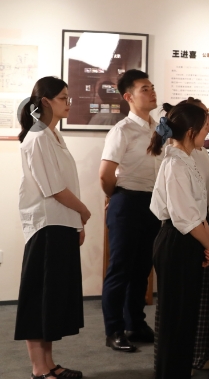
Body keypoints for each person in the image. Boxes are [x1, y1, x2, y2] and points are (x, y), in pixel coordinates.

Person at [15, 77, 89, 379]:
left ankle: (49, 363)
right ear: (45, 101)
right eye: (63, 98)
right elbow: (54, 188)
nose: (68, 103)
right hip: (46, 226)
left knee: (52, 299)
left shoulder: (52, 135)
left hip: (61, 224)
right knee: (39, 298)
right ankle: (39, 368)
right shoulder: (37, 137)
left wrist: (76, 223)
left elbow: (65, 184)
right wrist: (83, 211)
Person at [149, 101, 209, 379]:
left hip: (188, 240)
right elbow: (185, 218)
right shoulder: (175, 163)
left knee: (186, 317)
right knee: (175, 319)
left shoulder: (187, 160)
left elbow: (198, 211)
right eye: (204, 128)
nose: (208, 132)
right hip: (176, 242)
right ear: (191, 132)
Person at [99, 69, 160, 353]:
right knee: (120, 269)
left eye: (152, 87)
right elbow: (105, 174)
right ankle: (113, 330)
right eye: (144, 89)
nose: (151, 92)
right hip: (127, 201)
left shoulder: (159, 129)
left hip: (153, 203)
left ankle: (135, 323)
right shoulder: (121, 130)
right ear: (129, 97)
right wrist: (116, 198)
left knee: (142, 268)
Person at [185, 97, 209, 371]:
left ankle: (201, 352)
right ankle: (194, 355)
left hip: (204, 224)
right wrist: (208, 240)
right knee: (190, 300)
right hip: (191, 230)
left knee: (204, 298)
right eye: (205, 115)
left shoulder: (202, 152)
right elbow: (187, 207)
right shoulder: (180, 157)